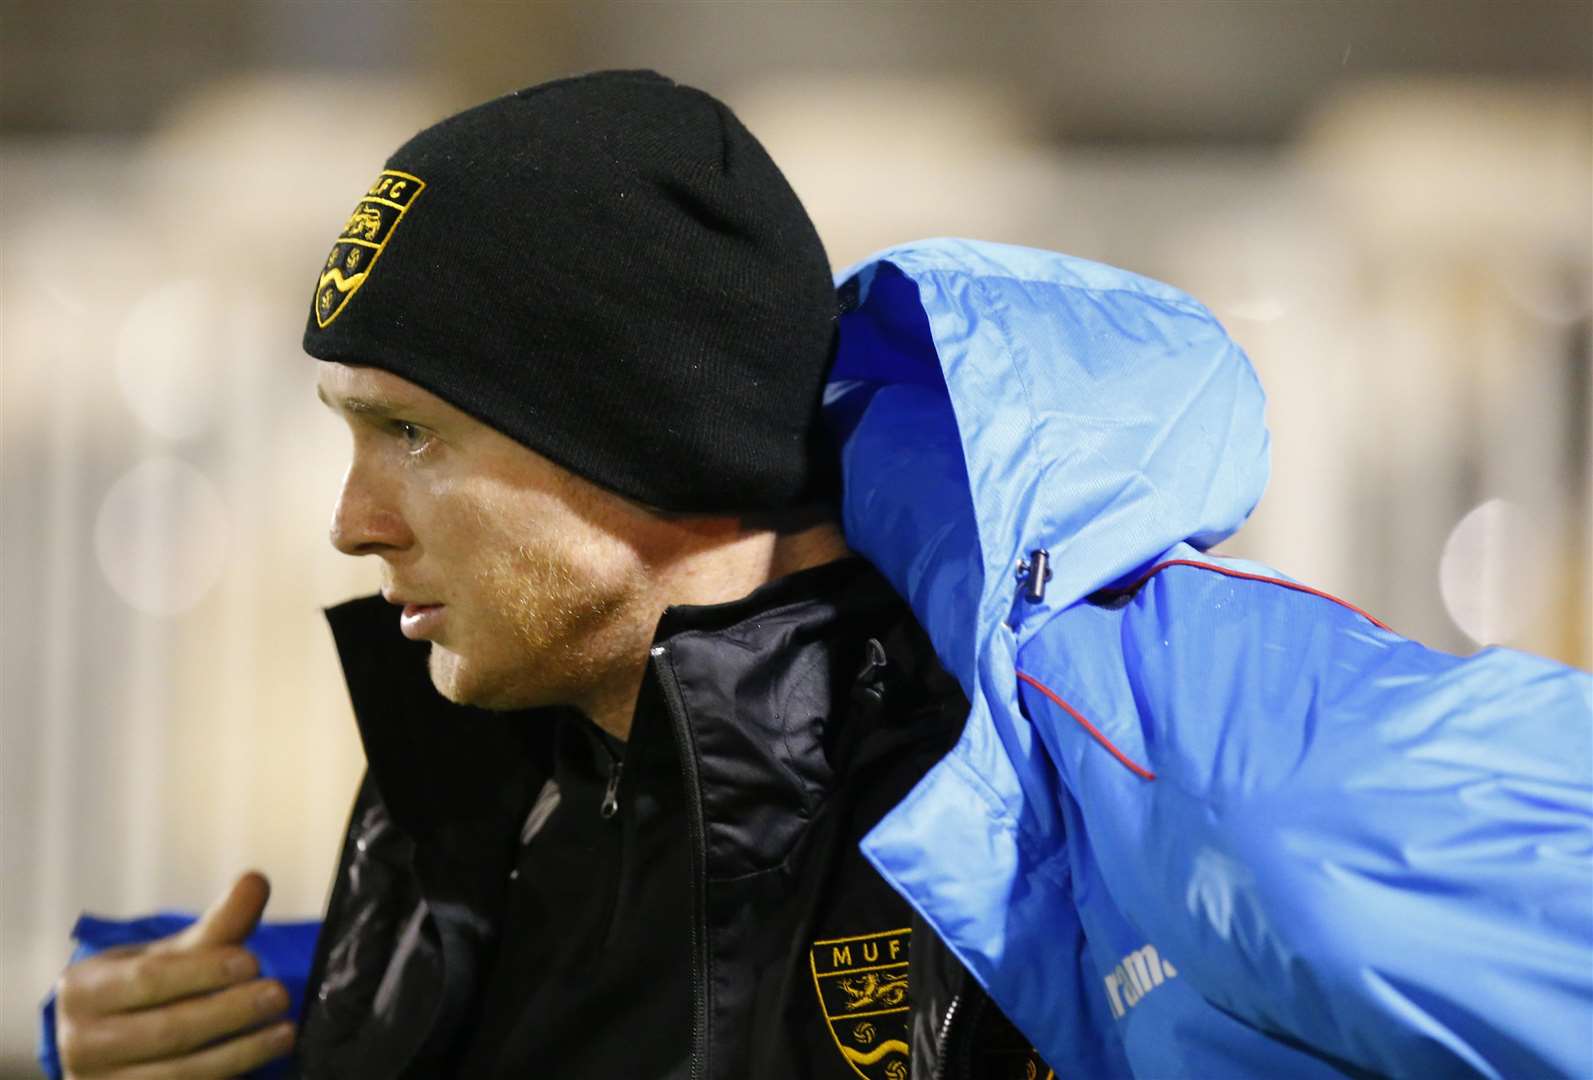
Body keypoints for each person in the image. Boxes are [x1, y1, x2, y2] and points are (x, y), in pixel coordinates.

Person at [50, 70, 1592, 1080]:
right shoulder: (515, 800)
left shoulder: (1111, 760)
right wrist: (222, 1023)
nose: (352, 517)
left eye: (414, 435)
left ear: (636, 434)